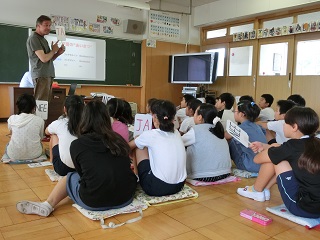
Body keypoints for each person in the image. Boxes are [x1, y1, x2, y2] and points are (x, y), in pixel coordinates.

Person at [16, 100, 137, 217]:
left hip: (93, 200)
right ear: (107, 118)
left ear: (84, 118)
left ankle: (48, 204)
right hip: (126, 196)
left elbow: (81, 174)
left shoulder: (78, 144)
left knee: (69, 177)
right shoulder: (118, 139)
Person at [237, 107, 320, 219]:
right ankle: (263, 189)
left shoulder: (291, 146)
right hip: (316, 205)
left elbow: (257, 159)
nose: (282, 126)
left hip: (305, 208)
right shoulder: (315, 143)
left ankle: (257, 190)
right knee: (277, 152)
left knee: (277, 156)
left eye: (284, 123)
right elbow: (284, 150)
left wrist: (266, 149)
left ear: (294, 127)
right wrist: (266, 146)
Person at [129, 100, 186, 196]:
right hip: (179, 185)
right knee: (143, 143)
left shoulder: (150, 135)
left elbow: (128, 147)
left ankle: (136, 176)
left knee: (138, 144)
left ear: (154, 118)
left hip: (156, 187)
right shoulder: (176, 133)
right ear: (173, 119)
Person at [182, 103, 231, 181]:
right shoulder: (218, 129)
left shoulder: (196, 130)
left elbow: (180, 143)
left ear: (199, 117)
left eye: (195, 113)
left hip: (203, 176)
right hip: (225, 173)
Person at [27, 15, 65, 103]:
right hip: (41, 75)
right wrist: (53, 50)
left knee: (45, 103)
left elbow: (48, 59)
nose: (48, 28)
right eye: (46, 25)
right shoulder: (34, 38)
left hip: (47, 75)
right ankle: (39, 117)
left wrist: (57, 53)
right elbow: (44, 58)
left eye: (49, 25)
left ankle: (42, 117)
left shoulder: (43, 39)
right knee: (41, 103)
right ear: (38, 26)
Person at [45, 95, 84, 176]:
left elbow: (46, 132)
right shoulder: (87, 123)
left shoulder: (59, 123)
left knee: (54, 135)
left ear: (65, 109)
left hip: (63, 169)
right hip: (83, 168)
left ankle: (52, 161)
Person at [226, 100, 267, 173]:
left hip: (250, 166)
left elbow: (225, 136)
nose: (234, 114)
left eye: (235, 112)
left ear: (241, 114)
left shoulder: (240, 128)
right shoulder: (258, 126)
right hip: (263, 165)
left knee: (232, 141)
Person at [6, 93, 44, 160]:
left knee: (8, 144)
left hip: (14, 155)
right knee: (40, 144)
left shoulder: (12, 118)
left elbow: (11, 132)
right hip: (35, 154)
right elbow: (40, 137)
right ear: (33, 107)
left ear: (19, 106)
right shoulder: (40, 120)